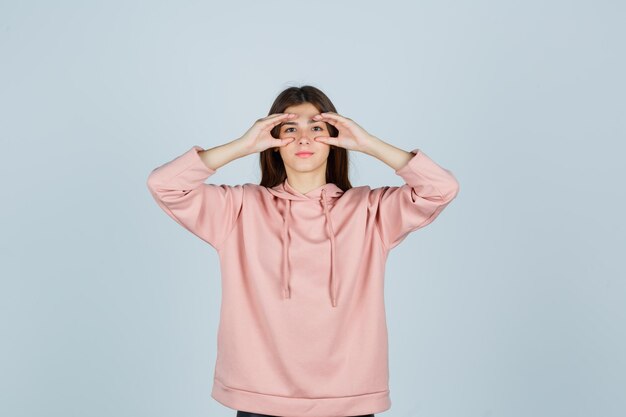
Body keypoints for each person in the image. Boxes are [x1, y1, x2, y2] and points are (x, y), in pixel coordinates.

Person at [146, 85, 460, 417]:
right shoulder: (238, 209)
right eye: (290, 129)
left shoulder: (371, 211)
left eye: (317, 128)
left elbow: (441, 188)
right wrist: (241, 146)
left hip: (349, 397)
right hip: (259, 396)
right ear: (273, 141)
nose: (304, 139)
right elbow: (164, 185)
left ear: (335, 139)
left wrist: (369, 144)